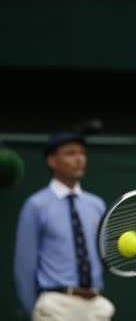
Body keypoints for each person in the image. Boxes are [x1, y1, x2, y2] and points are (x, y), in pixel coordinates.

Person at [14, 130, 115, 320]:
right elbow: (24, 266)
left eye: (82, 153)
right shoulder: (36, 205)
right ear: (52, 161)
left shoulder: (97, 204)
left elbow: (106, 255)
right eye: (70, 153)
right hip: (55, 305)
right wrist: (34, 308)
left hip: (95, 305)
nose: (79, 159)